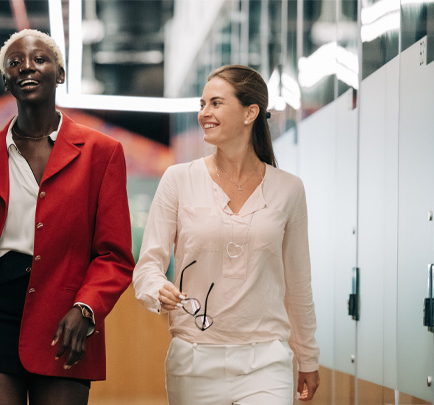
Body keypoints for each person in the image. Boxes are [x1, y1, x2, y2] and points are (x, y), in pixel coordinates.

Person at [0, 29, 134, 405]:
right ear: (6, 80)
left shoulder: (102, 153)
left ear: (60, 74)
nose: (26, 67)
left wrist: (87, 309)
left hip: (67, 317)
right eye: (15, 63)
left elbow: (114, 255)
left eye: (39, 59)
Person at [132, 65, 320, 404]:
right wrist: (156, 289)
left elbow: (298, 283)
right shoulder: (177, 180)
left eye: (216, 103)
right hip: (193, 360)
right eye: (202, 104)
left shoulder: (289, 190)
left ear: (250, 112)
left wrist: (307, 356)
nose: (204, 113)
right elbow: (148, 266)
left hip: (266, 361)